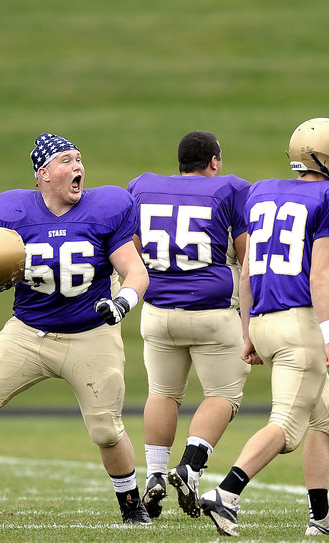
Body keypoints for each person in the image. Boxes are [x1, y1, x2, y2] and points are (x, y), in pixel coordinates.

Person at [0, 132, 152, 525]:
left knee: (106, 430)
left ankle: (132, 507)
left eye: (79, 159)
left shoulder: (107, 206)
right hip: (29, 329)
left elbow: (135, 270)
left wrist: (122, 303)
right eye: (66, 160)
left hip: (91, 330)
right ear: (42, 173)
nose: (78, 167)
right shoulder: (10, 211)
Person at [199, 118, 329, 537]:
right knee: (286, 427)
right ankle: (227, 493)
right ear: (324, 158)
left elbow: (247, 272)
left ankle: (321, 518)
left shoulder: (262, 192)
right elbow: (320, 276)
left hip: (266, 322)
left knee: (328, 420)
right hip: (300, 326)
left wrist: (248, 331)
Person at [127, 131, 251, 519]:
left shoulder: (143, 187)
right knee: (222, 396)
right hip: (213, 313)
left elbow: (129, 248)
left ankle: (155, 476)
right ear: (214, 161)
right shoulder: (231, 190)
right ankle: (191, 466)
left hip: (159, 312)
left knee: (162, 393)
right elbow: (248, 261)